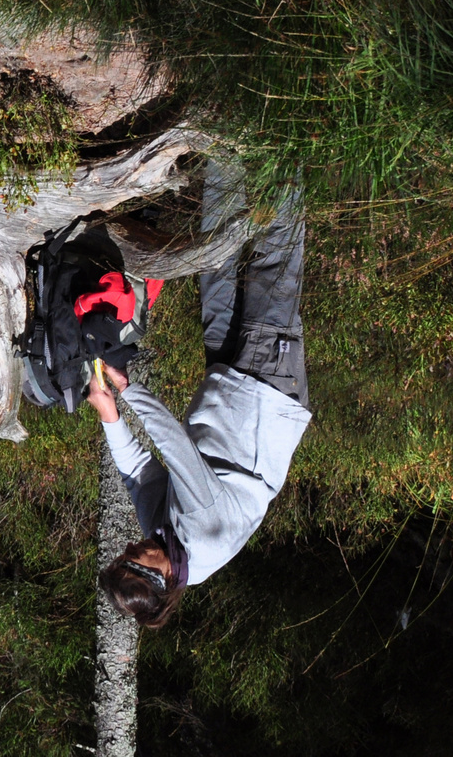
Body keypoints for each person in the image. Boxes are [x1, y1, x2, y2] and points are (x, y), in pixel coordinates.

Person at [89, 171, 312, 627]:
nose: (130, 547)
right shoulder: (201, 535)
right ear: (160, 579)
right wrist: (128, 391)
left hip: (227, 385)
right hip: (265, 393)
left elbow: (139, 474)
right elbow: (175, 449)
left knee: (213, 265)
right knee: (275, 263)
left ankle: (223, 153)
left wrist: (110, 416)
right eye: (133, 559)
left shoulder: (162, 540)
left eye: (122, 555)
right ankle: (287, 147)